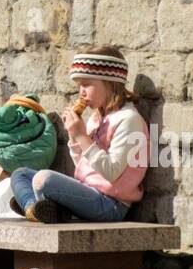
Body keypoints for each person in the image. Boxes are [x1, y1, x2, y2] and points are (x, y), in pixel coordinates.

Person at [10, 46, 148, 224]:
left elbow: (112, 172)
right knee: (20, 174)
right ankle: (33, 208)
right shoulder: (97, 118)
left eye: (86, 84)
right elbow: (82, 166)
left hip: (110, 204)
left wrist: (82, 136)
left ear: (110, 82)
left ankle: (41, 205)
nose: (81, 92)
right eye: (79, 86)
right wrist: (74, 137)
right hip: (87, 191)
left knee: (43, 179)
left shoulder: (129, 120)